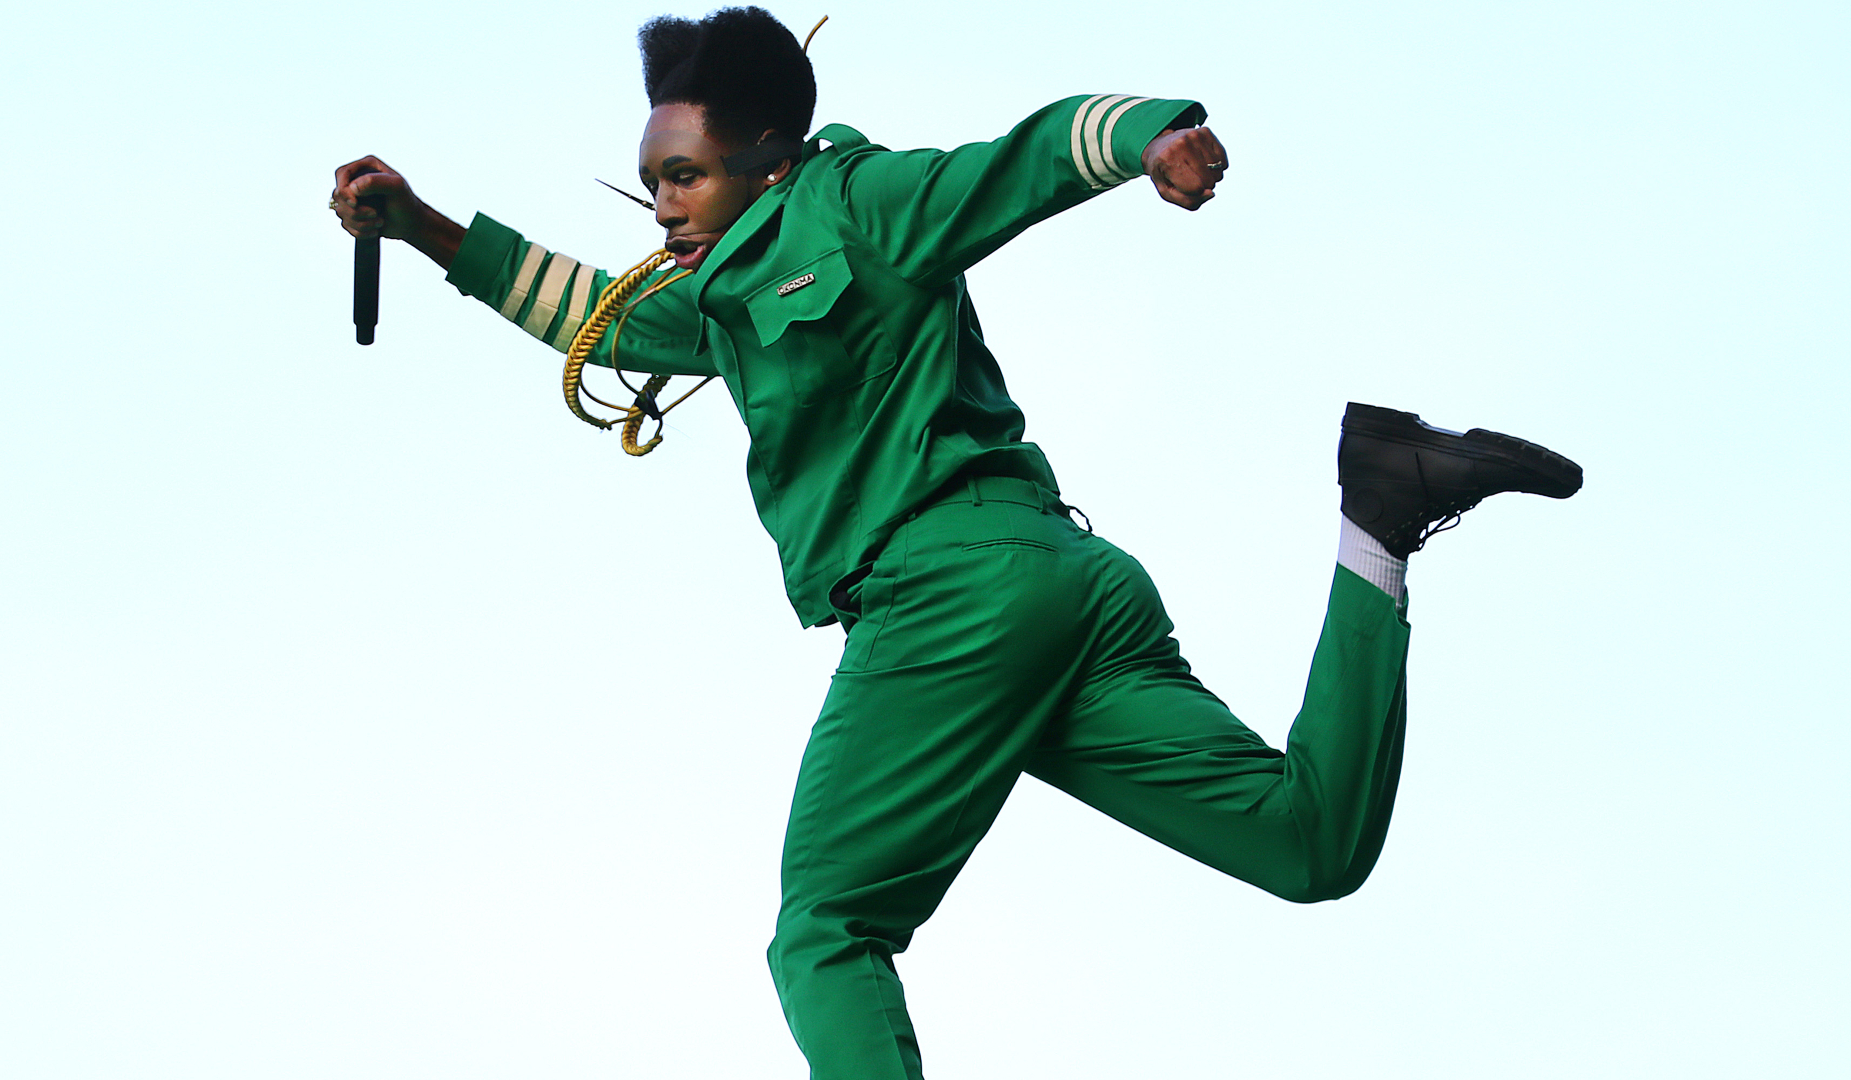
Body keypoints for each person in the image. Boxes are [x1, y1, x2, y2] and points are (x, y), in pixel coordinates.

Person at [328, 8, 1582, 1078]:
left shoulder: (859, 204)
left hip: (949, 597)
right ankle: (1380, 519)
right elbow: (585, 312)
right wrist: (424, 222)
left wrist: (1151, 133)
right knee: (1309, 844)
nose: (662, 208)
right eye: (653, 180)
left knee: (824, 927)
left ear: (772, 158)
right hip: (1063, 599)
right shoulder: (713, 300)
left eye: (684, 177)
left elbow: (1023, 158)